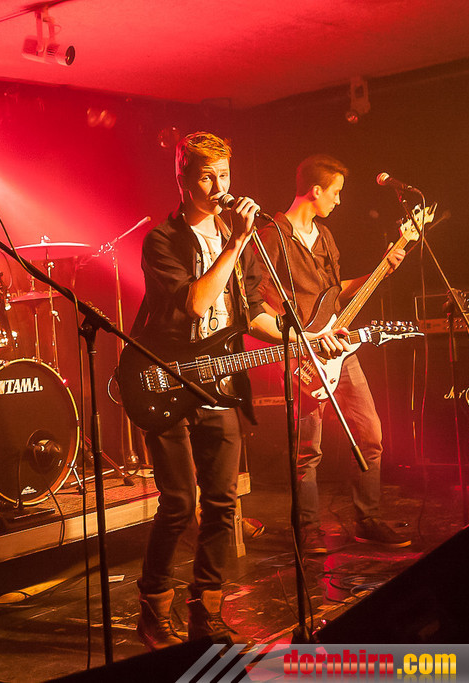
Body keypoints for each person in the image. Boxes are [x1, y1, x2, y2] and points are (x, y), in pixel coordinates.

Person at [132, 132, 347, 649]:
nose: (219, 186)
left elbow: (250, 313)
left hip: (220, 384)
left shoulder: (238, 235)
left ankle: (205, 610)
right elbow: (193, 304)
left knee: (223, 503)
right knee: (179, 502)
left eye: (225, 175)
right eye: (207, 176)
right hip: (167, 381)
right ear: (182, 177)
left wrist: (306, 339)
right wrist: (233, 245)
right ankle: (153, 607)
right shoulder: (162, 240)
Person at [255, 154, 410, 555]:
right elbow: (255, 301)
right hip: (302, 356)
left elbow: (335, 294)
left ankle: (367, 519)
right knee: (307, 450)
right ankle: (307, 529)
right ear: (316, 190)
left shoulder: (324, 237)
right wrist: (298, 341)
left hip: (340, 349)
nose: (339, 201)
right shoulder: (270, 236)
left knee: (370, 434)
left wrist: (381, 269)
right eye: (336, 192)